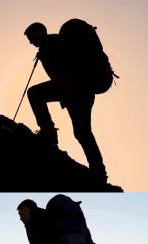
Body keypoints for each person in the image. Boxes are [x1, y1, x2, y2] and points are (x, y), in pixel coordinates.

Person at [24, 22, 108, 182]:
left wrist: (67, 81)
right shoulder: (52, 44)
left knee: (35, 93)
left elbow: (65, 67)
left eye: (31, 37)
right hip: (78, 91)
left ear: (40, 32)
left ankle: (48, 132)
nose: (30, 42)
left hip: (75, 90)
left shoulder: (52, 43)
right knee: (82, 132)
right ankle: (99, 170)